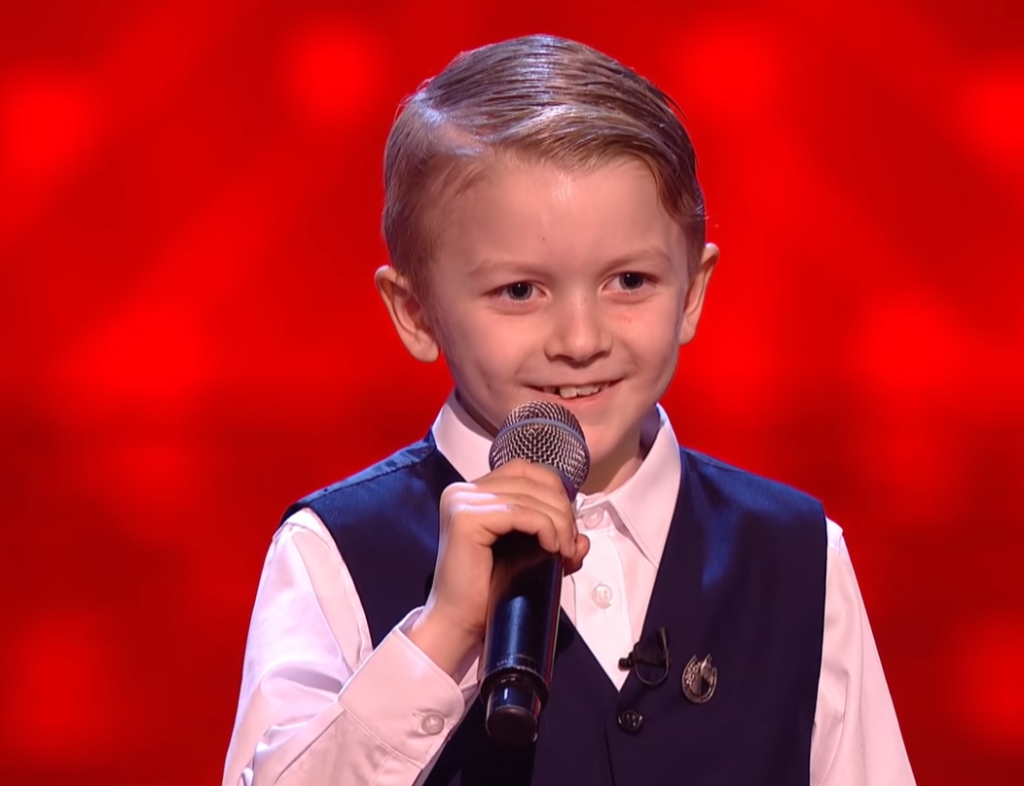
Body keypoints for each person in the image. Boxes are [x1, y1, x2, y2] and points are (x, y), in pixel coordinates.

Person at [222, 34, 915, 786]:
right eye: (520, 291)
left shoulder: (797, 555)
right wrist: (440, 637)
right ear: (416, 312)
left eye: (629, 281)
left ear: (692, 292)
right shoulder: (334, 553)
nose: (581, 341)